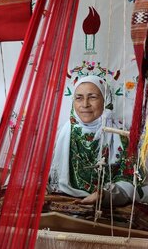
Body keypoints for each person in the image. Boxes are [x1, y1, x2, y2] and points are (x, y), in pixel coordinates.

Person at [48, 74, 146, 206]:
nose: (85, 104)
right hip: (63, 203)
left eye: (92, 97)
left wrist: (105, 195)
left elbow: (129, 178)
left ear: (106, 100)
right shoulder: (60, 134)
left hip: (107, 208)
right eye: (79, 98)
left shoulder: (122, 136)